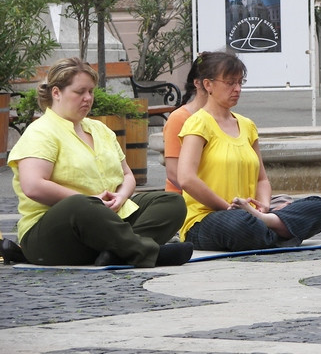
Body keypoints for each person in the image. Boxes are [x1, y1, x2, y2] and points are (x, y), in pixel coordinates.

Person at [7, 58, 193, 267]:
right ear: (56, 93)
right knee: (80, 204)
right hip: (52, 232)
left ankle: (118, 251)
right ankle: (146, 252)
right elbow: (33, 186)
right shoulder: (41, 131)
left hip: (109, 217)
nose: (88, 98)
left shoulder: (100, 130)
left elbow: (127, 175)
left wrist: (121, 197)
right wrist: (92, 200)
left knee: (171, 202)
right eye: (80, 92)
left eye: (91, 92)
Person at [177, 51, 321, 251]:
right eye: (230, 83)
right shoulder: (197, 123)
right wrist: (228, 207)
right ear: (208, 85)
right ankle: (275, 228)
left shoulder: (247, 125)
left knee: (319, 207)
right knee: (240, 223)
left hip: (251, 215)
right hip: (208, 218)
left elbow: (262, 180)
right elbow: (186, 178)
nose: (237, 89)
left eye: (240, 82)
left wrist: (263, 207)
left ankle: (265, 223)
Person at [163, 53, 211, 192]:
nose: (236, 89)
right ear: (198, 83)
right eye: (227, 82)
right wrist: (212, 198)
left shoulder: (234, 120)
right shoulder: (179, 118)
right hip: (187, 200)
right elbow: (173, 172)